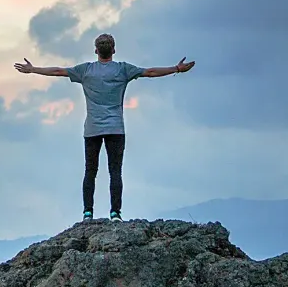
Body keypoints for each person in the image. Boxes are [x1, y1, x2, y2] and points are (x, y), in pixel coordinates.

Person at [15, 33, 196, 222]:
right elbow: (150, 72)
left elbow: (57, 71)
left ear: (95, 51)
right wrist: (176, 68)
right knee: (115, 171)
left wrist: (33, 69)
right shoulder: (123, 70)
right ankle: (115, 213)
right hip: (116, 128)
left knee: (90, 171)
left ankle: (87, 213)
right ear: (114, 50)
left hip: (92, 129)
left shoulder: (85, 71)